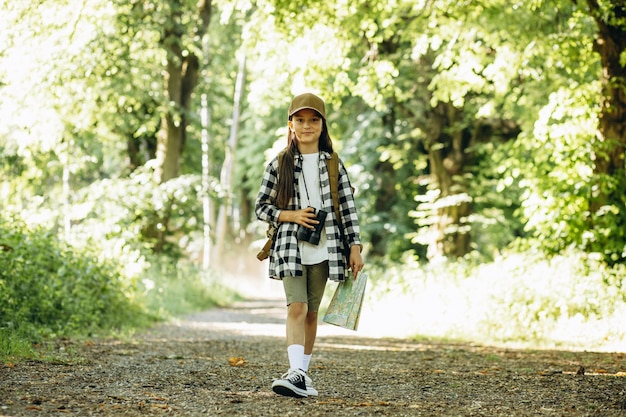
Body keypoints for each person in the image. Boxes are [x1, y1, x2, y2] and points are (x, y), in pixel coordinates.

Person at [255, 92, 364, 398]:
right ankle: (294, 371)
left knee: (312, 313)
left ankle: (301, 373)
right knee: (297, 307)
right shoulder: (279, 164)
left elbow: (348, 207)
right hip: (290, 246)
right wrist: (290, 215)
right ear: (290, 125)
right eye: (300, 120)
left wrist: (354, 246)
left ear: (322, 125)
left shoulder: (333, 165)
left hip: (326, 247)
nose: (306, 126)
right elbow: (261, 207)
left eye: (313, 120)